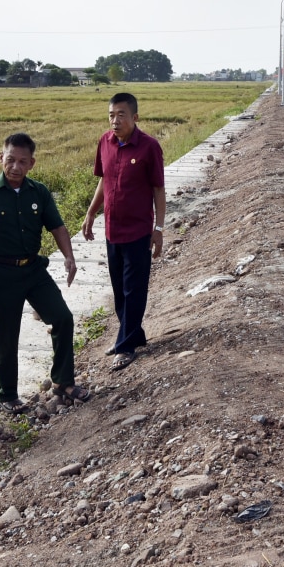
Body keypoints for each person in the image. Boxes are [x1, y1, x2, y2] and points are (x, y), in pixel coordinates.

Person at [0, 132, 90, 412]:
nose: (15, 167)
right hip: (0, 272)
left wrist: (69, 257)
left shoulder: (39, 192)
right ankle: (8, 395)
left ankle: (63, 381)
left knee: (62, 317)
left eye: (22, 162)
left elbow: (57, 226)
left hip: (33, 269)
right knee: (6, 333)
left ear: (31, 164)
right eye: (10, 160)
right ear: (1, 158)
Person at [81, 92, 165, 371]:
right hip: (112, 229)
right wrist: (91, 212)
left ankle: (126, 346)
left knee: (134, 289)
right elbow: (103, 181)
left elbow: (158, 190)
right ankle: (131, 334)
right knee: (119, 289)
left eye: (121, 115)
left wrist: (159, 228)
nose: (115, 121)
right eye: (111, 115)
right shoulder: (104, 142)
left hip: (139, 230)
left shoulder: (149, 147)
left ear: (135, 118)